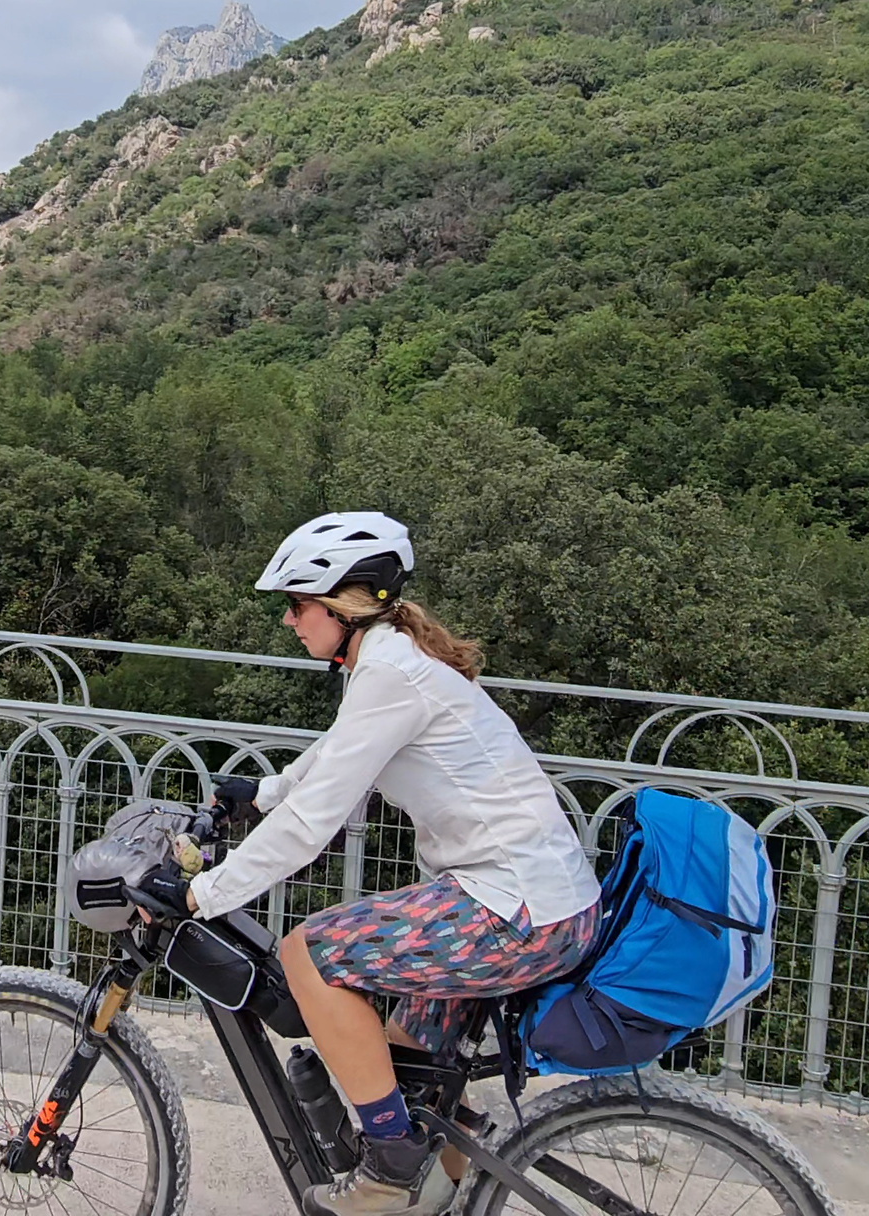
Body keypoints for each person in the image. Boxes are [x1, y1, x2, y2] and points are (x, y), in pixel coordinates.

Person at [147, 512, 602, 1216]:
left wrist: (203, 893)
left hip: (516, 912)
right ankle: (457, 1174)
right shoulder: (387, 663)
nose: (290, 622)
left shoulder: (391, 671)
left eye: (297, 606)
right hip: (533, 902)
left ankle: (390, 1167)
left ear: (342, 604)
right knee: (406, 1063)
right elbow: (338, 753)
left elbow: (313, 823)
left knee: (312, 956)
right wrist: (261, 794)